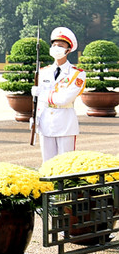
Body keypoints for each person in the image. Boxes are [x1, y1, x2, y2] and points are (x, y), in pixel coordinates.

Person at [33, 27, 86, 162]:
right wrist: (34, 116)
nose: (56, 48)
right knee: (47, 163)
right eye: (54, 45)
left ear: (68, 50)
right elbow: (38, 101)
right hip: (45, 121)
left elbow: (64, 99)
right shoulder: (43, 71)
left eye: (60, 46)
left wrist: (42, 94)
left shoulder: (77, 74)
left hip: (65, 122)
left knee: (65, 164)